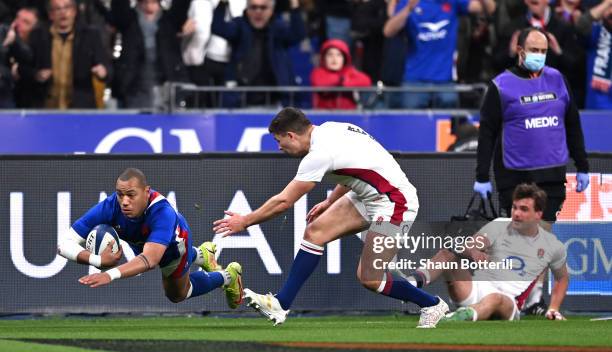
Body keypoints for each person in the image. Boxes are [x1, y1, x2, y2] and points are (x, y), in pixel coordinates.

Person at [213, 107, 449, 328]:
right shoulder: (332, 128)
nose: (279, 147)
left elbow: (283, 202)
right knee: (315, 232)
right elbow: (354, 167)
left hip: (396, 202)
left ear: (291, 135)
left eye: (279, 141)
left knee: (369, 278)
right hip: (371, 196)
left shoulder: (318, 154)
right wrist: (329, 201)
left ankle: (432, 304)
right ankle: (281, 304)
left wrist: (245, 221)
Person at [57, 168, 243, 308]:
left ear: (146, 192)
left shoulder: (162, 212)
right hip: (144, 244)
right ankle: (202, 254)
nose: (124, 201)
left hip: (173, 247)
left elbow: (150, 260)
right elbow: (63, 244)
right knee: (144, 257)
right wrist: (96, 259)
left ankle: (227, 276)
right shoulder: (110, 206)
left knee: (177, 295)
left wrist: (108, 274)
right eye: (120, 194)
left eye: (131, 195)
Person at [474, 27, 590, 223]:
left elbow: (573, 126)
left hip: (552, 178)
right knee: (519, 242)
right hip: (515, 180)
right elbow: (487, 134)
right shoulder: (500, 86)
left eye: (543, 51)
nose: (539, 55)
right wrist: (482, 176)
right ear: (520, 51)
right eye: (534, 50)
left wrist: (583, 166)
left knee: (542, 240)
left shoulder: (559, 80)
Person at [408, 183, 569, 321]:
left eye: (524, 209)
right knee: (447, 254)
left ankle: (457, 318)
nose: (517, 213)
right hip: (476, 290)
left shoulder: (551, 245)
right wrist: (472, 252)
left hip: (508, 304)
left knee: (495, 299)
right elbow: (468, 245)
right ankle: (410, 285)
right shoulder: (500, 224)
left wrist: (553, 308)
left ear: (538, 214)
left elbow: (562, 278)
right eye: (514, 208)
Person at [383, 0, 496, 109]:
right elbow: (388, 31)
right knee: (412, 125)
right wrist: (408, 9)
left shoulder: (452, 2)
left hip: (445, 81)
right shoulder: (408, 2)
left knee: (447, 125)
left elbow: (490, 8)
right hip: (415, 80)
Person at [211, 0, 306, 106]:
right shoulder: (239, 26)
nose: (258, 11)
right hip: (242, 100)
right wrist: (223, 4)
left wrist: (294, 5)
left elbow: (298, 34)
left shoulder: (278, 28)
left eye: (263, 7)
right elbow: (218, 28)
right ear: (247, 10)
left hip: (274, 100)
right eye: (254, 7)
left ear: (271, 10)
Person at [27, 0, 110, 109]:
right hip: (45, 107)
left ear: (74, 11)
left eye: (67, 8)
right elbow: (25, 68)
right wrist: (36, 75)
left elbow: (107, 67)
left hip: (80, 107)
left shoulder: (90, 36)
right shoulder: (37, 36)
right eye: (58, 9)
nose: (63, 13)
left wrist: (103, 72)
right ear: (51, 14)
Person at [310, 38, 372, 110]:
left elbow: (366, 81)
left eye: (338, 55)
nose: (334, 58)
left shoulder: (350, 71)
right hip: (324, 117)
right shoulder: (318, 72)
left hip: (348, 117)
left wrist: (344, 82)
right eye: (330, 55)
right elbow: (320, 83)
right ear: (324, 58)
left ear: (344, 58)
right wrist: (341, 80)